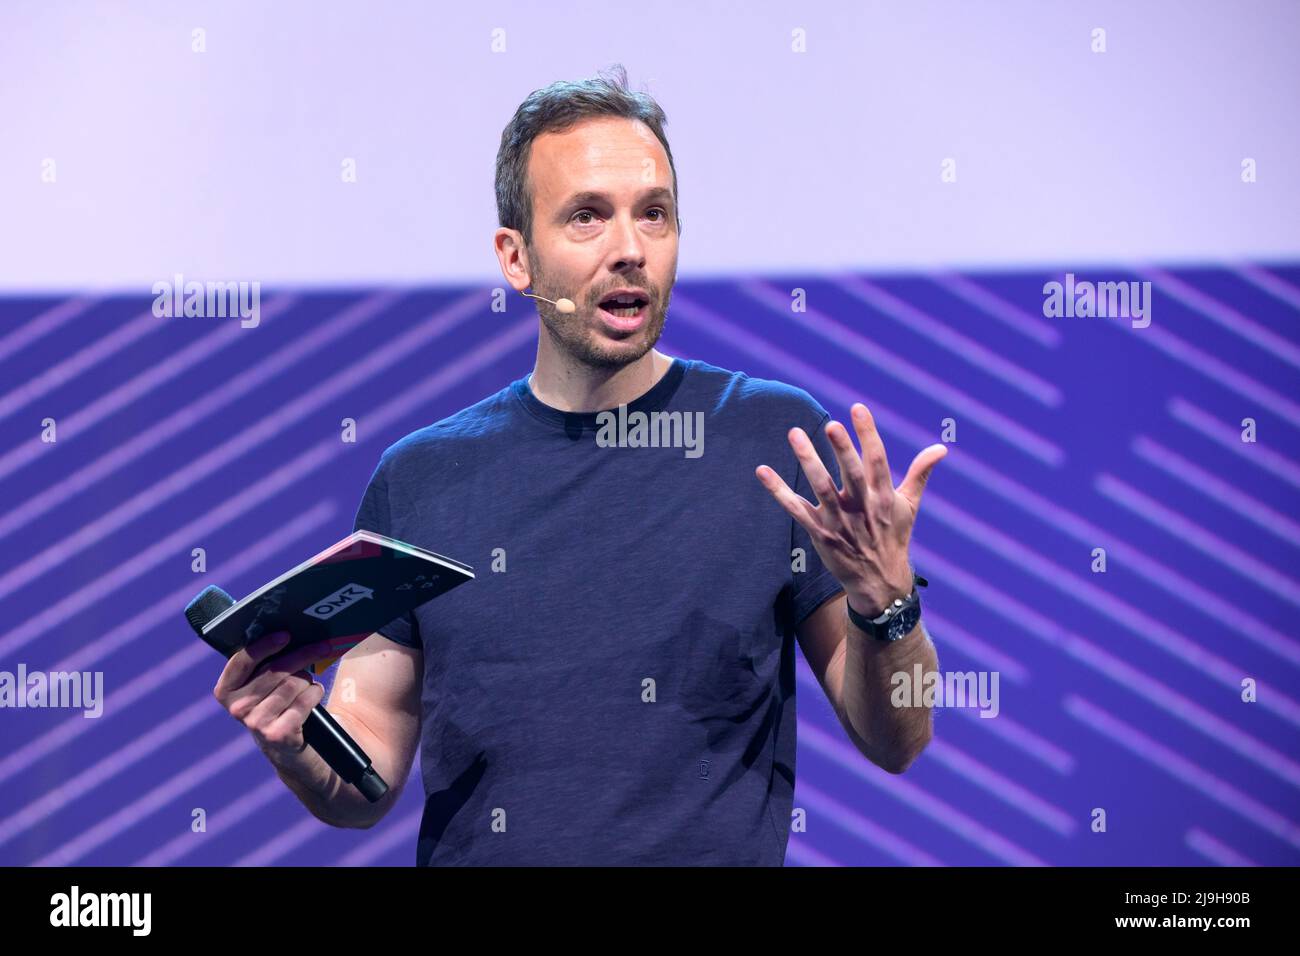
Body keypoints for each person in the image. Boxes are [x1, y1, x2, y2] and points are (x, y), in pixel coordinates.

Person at [214, 64, 945, 866]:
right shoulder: (422, 478)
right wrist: (294, 738)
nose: (630, 250)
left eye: (654, 215)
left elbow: (897, 739)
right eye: (588, 217)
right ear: (516, 256)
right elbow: (362, 776)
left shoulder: (773, 440)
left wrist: (889, 608)